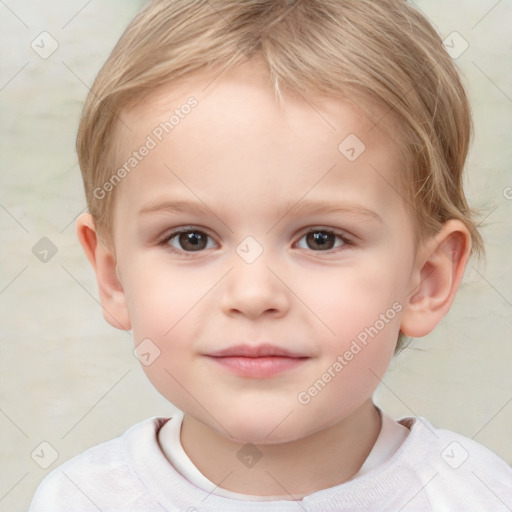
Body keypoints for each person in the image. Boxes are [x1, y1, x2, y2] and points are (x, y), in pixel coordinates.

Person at [29, 0, 512, 510]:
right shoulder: (79, 499)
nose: (254, 294)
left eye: (321, 239)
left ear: (426, 281)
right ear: (114, 277)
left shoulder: (477, 496)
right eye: (191, 239)